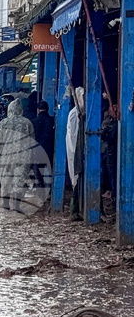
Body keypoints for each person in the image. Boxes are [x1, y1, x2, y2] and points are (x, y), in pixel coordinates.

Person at [0, 99, 35, 213]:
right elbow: (33, 141)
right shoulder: (28, 123)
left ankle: (6, 204)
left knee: (6, 180)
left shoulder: (4, 123)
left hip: (6, 156)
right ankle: (16, 205)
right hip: (23, 156)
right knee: (19, 180)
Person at [65, 87, 85, 222]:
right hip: (75, 149)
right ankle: (75, 210)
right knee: (77, 178)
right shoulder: (74, 114)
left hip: (78, 149)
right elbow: (74, 135)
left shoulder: (79, 113)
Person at [32, 100, 55, 190]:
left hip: (38, 150)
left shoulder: (34, 121)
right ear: (48, 109)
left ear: (38, 110)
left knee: (38, 170)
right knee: (50, 170)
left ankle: (40, 187)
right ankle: (50, 190)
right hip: (50, 149)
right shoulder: (53, 120)